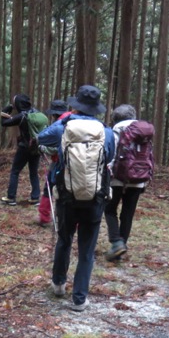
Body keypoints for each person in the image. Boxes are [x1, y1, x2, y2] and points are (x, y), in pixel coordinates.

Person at [36, 85, 115, 312]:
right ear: (96, 108)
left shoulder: (64, 126)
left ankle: (59, 283)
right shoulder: (106, 131)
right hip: (95, 197)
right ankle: (79, 298)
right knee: (87, 249)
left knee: (64, 239)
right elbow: (109, 157)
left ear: (76, 105)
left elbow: (41, 137)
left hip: (67, 195)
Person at [104, 105, 148, 261]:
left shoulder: (115, 131)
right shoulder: (144, 132)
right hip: (139, 178)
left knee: (109, 209)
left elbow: (110, 152)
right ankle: (120, 248)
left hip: (117, 177)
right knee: (127, 214)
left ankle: (117, 242)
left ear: (115, 118)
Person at [0, 94, 41, 206]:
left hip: (24, 147)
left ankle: (11, 197)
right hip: (36, 147)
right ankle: (35, 198)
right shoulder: (36, 113)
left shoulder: (22, 116)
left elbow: (4, 123)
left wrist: (7, 109)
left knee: (15, 172)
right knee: (34, 172)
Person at [36, 99, 69, 227]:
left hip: (58, 163)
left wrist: (42, 148)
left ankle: (44, 217)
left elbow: (44, 140)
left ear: (54, 114)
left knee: (49, 187)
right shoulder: (77, 121)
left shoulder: (58, 125)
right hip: (79, 165)